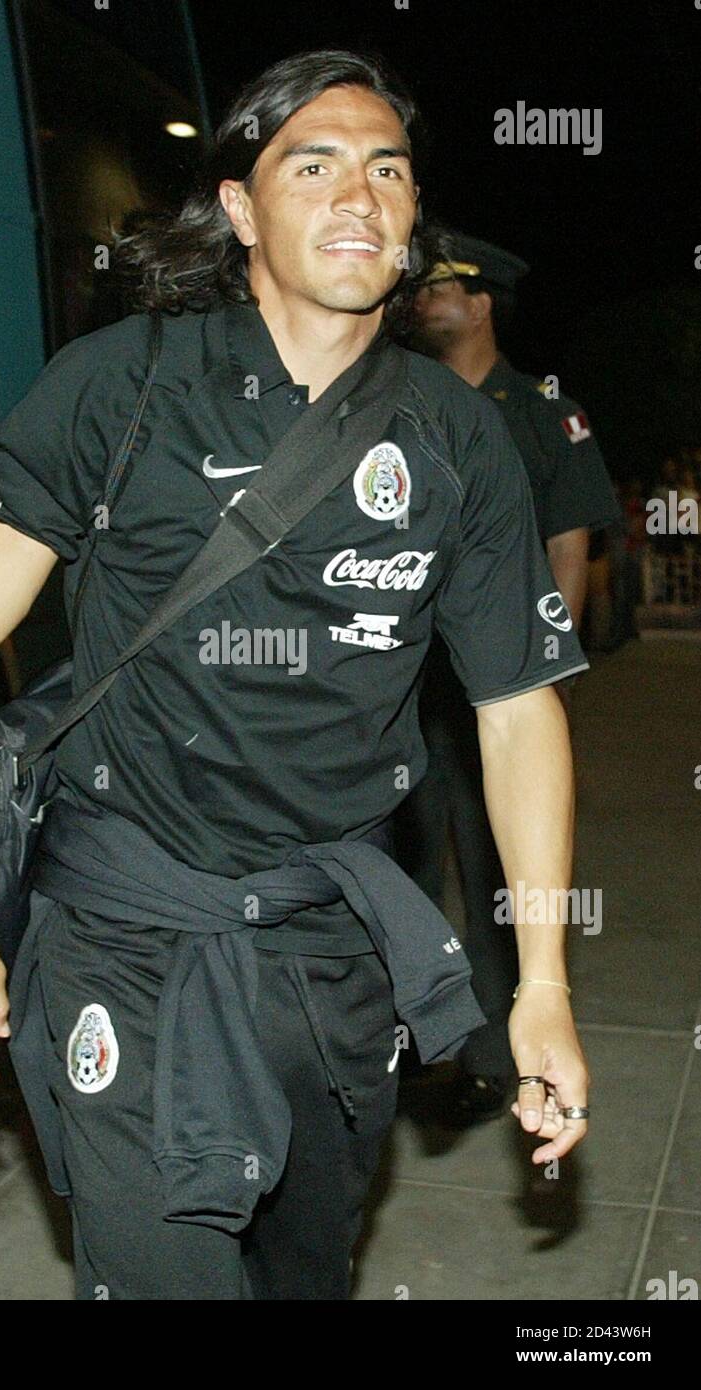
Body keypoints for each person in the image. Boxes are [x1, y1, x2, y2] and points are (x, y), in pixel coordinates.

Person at [0, 51, 591, 1301]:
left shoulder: (460, 437)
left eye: (387, 170)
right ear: (238, 209)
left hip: (335, 941)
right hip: (126, 923)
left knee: (305, 1269)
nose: (358, 197)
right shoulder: (121, 386)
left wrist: (540, 983)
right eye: (311, 165)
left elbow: (515, 706)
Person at [395, 232, 620, 1122]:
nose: (419, 299)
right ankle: (407, 1037)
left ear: (481, 304)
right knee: (398, 858)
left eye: (440, 288)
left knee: (494, 867)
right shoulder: (394, 401)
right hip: (401, 679)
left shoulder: (538, 412)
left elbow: (567, 547)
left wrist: (550, 678)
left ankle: (496, 1053)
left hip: (491, 679)